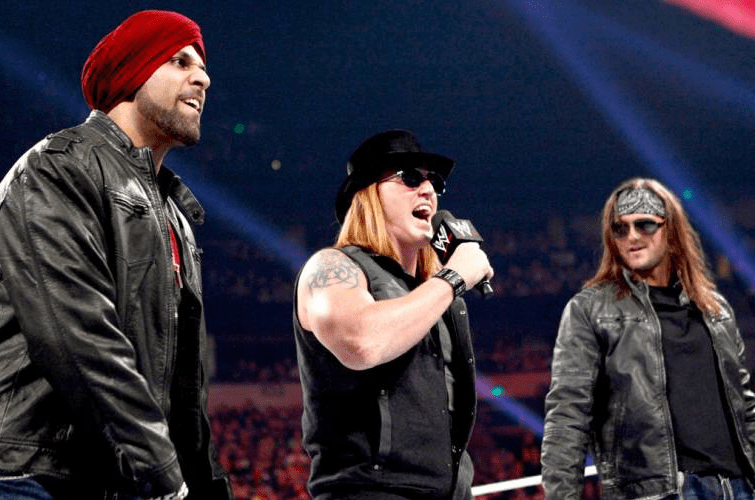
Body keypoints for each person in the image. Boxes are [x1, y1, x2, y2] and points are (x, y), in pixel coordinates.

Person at [0, 10, 231, 500]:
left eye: (202, 66)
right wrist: (163, 473)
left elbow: (186, 387)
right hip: (30, 471)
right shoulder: (59, 168)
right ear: (132, 73)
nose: (203, 78)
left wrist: (201, 485)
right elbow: (77, 337)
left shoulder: (175, 216)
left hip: (115, 475)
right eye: (179, 61)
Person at [293, 129, 493, 500]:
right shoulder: (331, 267)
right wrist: (454, 277)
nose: (429, 190)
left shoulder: (435, 293)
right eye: (411, 178)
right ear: (368, 196)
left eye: (434, 182)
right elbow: (361, 342)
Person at [541, 178, 755, 500]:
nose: (632, 236)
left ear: (672, 232)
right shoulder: (590, 310)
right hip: (658, 492)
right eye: (620, 228)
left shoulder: (716, 309)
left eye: (645, 225)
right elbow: (567, 417)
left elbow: (745, 407)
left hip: (739, 487)